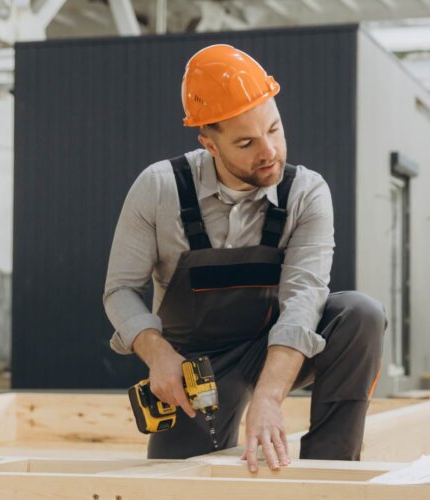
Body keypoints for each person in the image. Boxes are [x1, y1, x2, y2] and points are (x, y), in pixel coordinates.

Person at [103, 44, 385, 472]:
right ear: (209, 145)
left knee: (359, 313)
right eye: (247, 142)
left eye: (274, 129)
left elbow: (304, 297)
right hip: (196, 368)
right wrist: (158, 354)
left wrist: (270, 397)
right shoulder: (159, 189)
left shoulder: (306, 193)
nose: (269, 150)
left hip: (273, 345)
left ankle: (332, 469)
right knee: (177, 483)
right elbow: (120, 289)